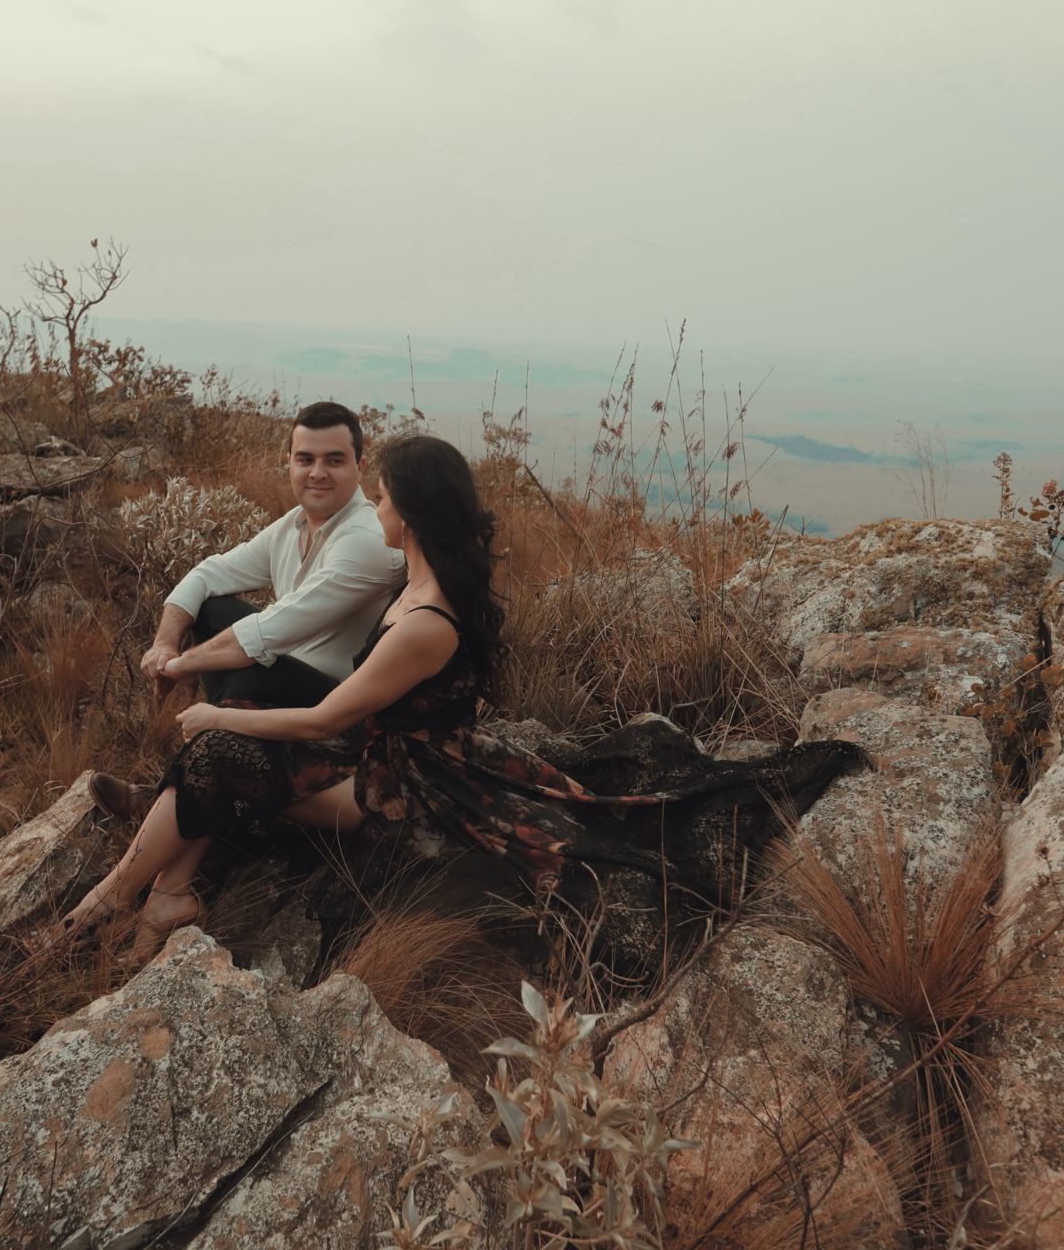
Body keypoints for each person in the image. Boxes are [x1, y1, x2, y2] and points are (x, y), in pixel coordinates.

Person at [63, 434, 864, 954]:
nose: (373, 507)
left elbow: (330, 715)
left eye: (382, 496)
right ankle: (163, 894)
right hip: (384, 752)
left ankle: (102, 907)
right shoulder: (415, 581)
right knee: (228, 740)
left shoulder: (425, 620)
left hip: (396, 791)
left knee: (217, 747)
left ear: (410, 513)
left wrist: (208, 708)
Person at [90, 401, 403, 820]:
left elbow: (271, 630)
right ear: (289, 462)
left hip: (338, 710)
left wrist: (181, 665)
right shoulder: (293, 524)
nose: (317, 473)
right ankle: (212, 764)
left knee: (254, 668)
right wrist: (165, 643)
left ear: (359, 466)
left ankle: (172, 793)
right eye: (305, 459)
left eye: (334, 460)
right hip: (290, 680)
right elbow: (208, 574)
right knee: (211, 607)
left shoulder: (365, 540)